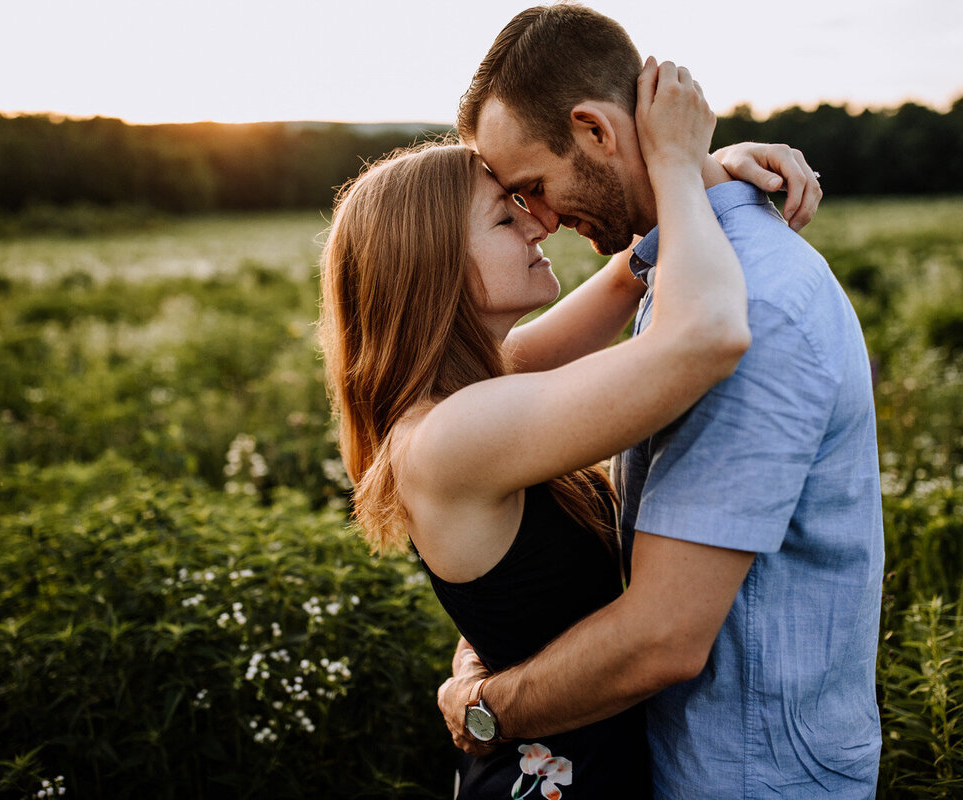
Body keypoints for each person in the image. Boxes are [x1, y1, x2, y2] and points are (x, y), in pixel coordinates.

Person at [320, 58, 820, 798]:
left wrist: (714, 174)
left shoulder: (478, 386)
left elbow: (629, 271)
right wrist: (679, 163)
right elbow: (709, 334)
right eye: (505, 214)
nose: (540, 220)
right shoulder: (452, 434)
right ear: (436, 267)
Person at [436, 4, 884, 799]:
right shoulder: (684, 276)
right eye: (512, 207)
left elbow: (666, 639)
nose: (539, 222)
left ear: (597, 131)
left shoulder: (751, 307)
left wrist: (486, 708)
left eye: (533, 188)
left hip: (746, 776)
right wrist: (693, 178)